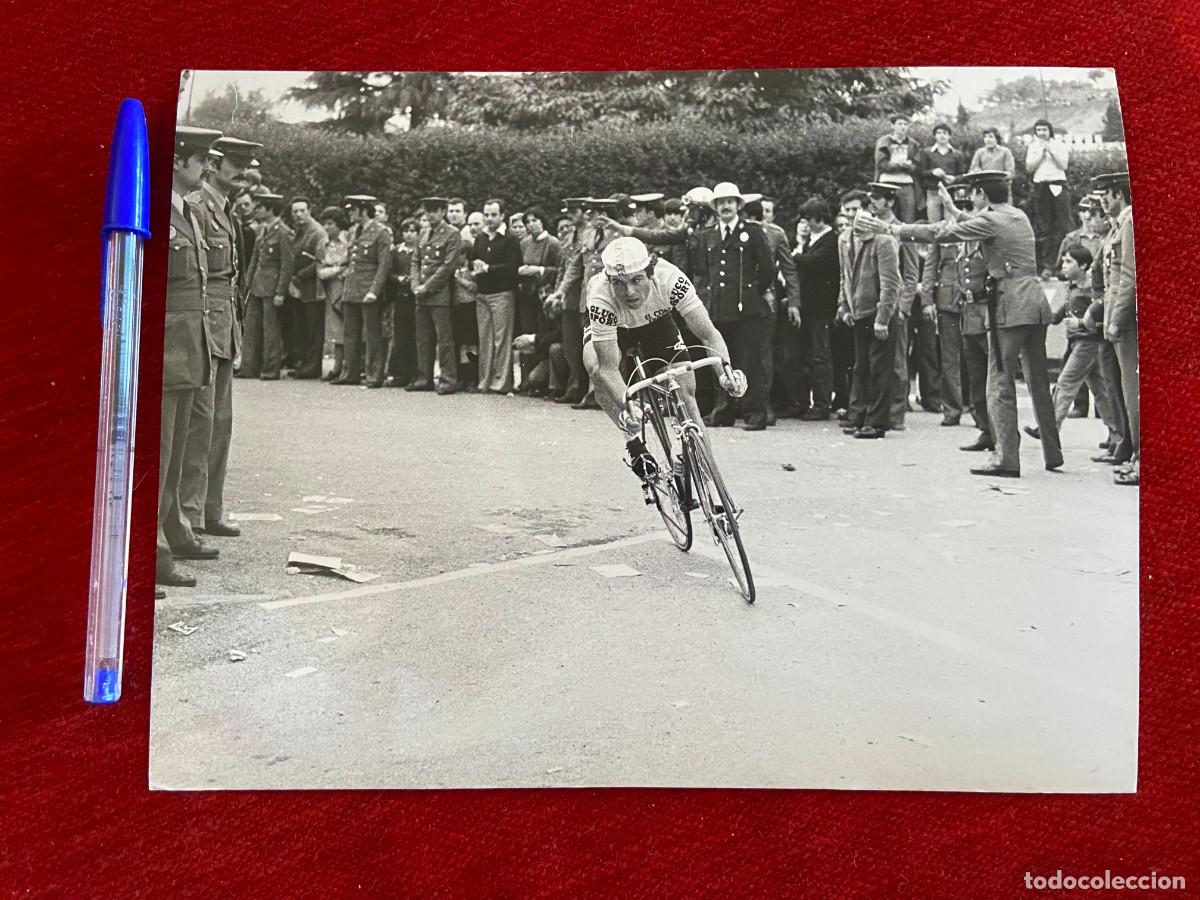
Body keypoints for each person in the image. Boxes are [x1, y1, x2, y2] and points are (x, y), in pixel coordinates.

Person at [863, 171, 1064, 477]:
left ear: (983, 194)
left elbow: (941, 234)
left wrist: (891, 228)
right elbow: (972, 223)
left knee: (999, 382)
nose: (971, 199)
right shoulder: (1016, 215)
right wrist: (954, 210)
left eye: (974, 194)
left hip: (1009, 304)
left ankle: (1005, 458)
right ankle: (1053, 452)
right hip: (1034, 303)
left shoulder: (991, 221)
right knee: (1038, 381)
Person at [580, 237, 747, 478]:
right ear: (609, 281)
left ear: (650, 272)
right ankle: (633, 439)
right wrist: (628, 406)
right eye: (619, 283)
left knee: (686, 391)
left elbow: (709, 335)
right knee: (595, 368)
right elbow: (608, 369)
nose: (630, 292)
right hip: (615, 327)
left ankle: (709, 480)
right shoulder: (600, 296)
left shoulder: (671, 278)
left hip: (656, 323)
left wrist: (726, 374)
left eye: (637, 280)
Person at [179, 136, 259, 543]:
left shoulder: (225, 211)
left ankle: (210, 509)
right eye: (235, 161)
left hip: (224, 324)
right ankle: (188, 516)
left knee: (220, 423)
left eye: (246, 162)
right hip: (203, 324)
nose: (242, 169)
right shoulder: (196, 207)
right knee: (200, 423)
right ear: (211, 164)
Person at [159, 125, 223, 588]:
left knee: (178, 451)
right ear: (179, 160)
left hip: (188, 348)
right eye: (200, 159)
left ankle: (173, 533)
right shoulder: (163, 211)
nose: (206, 167)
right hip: (167, 348)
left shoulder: (189, 213)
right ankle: (155, 553)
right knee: (160, 455)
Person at [695, 183, 777, 431]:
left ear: (739, 205)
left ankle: (755, 413)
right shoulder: (709, 235)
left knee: (748, 360)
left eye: (730, 202)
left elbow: (767, 270)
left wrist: (752, 292)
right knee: (721, 360)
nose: (726, 206)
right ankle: (724, 411)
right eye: (721, 203)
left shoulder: (751, 232)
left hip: (746, 309)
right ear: (716, 207)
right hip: (719, 307)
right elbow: (704, 271)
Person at [1023, 246, 1122, 448]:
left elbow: (1099, 313)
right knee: (1101, 391)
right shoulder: (1074, 286)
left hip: (1088, 343)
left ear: (1084, 265)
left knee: (1065, 383)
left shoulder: (1090, 289)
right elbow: (1061, 311)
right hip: (1078, 343)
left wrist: (1081, 323)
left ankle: (1048, 427)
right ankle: (1117, 435)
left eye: (1069, 262)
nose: (1064, 266)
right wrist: (1045, 317)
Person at [836, 189, 900, 439]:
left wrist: (883, 319)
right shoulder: (844, 239)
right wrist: (844, 306)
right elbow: (845, 277)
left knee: (880, 368)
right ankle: (859, 414)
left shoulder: (884, 242)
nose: (853, 216)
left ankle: (876, 421)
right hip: (858, 312)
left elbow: (890, 284)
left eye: (857, 210)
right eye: (848, 211)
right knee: (861, 367)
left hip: (878, 314)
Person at [861, 183, 920, 431]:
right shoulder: (870, 228)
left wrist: (904, 306)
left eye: (878, 199)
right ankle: (877, 411)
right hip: (874, 304)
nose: (872, 202)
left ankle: (896, 412)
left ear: (890, 202)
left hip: (895, 305)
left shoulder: (899, 231)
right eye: (871, 198)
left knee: (897, 362)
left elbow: (910, 273)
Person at [1092, 172, 1138, 486]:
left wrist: (1116, 318)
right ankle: (1133, 451)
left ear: (1119, 194)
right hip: (1116, 316)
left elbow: (1129, 278)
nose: (1103, 201)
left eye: (1106, 194)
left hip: (1126, 321)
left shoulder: (1131, 222)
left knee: (1134, 392)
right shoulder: (1119, 224)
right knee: (1124, 388)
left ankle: (1139, 458)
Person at [743, 196, 799, 427]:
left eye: (768, 211)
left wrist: (794, 301)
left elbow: (789, 268)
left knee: (763, 354)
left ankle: (764, 404)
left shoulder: (776, 234)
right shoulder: (739, 231)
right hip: (741, 302)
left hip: (766, 301)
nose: (763, 215)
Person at [918, 183, 970, 426]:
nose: (961, 211)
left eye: (967, 206)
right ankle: (952, 408)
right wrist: (927, 299)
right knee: (949, 358)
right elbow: (930, 267)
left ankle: (975, 405)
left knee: (975, 355)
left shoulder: (976, 228)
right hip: (948, 301)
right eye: (958, 206)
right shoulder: (942, 232)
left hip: (973, 300)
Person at [789, 198, 840, 420]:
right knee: (808, 355)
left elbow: (815, 262)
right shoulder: (814, 239)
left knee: (821, 356)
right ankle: (807, 402)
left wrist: (796, 257)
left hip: (822, 308)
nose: (807, 224)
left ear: (819, 218)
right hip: (810, 307)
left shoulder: (830, 240)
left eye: (809, 219)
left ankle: (822, 403)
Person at [334, 195, 391, 387]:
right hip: (352, 288)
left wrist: (375, 291)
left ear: (364, 210)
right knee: (350, 333)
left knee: (372, 334)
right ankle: (350, 373)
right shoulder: (353, 231)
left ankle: (374, 375)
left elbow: (383, 265)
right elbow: (351, 260)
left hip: (368, 289)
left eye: (353, 209)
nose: (350, 213)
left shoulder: (381, 232)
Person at [238, 191, 294, 380]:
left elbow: (287, 264)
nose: (256, 210)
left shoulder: (284, 232)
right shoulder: (262, 229)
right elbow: (255, 258)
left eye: (260, 207)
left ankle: (270, 369)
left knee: (271, 330)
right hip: (257, 286)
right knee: (252, 328)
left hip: (272, 287)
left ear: (271, 209)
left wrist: (280, 291)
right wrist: (248, 281)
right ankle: (249, 367)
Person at [409, 196, 462, 394]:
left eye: (434, 210)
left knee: (444, 339)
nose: (429, 214)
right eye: (427, 210)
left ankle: (448, 380)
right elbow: (416, 261)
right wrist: (415, 284)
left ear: (443, 212)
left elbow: (448, 265)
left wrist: (427, 286)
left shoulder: (452, 234)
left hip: (439, 295)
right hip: (421, 294)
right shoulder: (423, 233)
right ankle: (424, 378)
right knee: (423, 338)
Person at [472, 198, 523, 394]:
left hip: (502, 294)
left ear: (502, 216)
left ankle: (500, 383)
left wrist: (488, 268)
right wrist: (475, 266)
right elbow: (474, 258)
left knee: (501, 340)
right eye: (486, 215)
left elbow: (512, 267)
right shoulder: (481, 238)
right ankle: (484, 381)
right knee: (484, 339)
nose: (489, 219)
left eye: (494, 215)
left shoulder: (510, 239)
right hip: (482, 295)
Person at [515, 206, 562, 392]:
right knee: (526, 333)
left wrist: (539, 270)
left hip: (545, 295)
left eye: (535, 220)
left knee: (542, 335)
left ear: (543, 222)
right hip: (527, 295)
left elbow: (559, 271)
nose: (531, 225)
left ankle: (541, 382)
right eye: (528, 222)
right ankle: (526, 381)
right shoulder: (525, 243)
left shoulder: (552, 243)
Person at [287, 196, 328, 379]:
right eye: (295, 211)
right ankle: (303, 364)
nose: (298, 215)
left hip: (313, 287)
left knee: (313, 328)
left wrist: (300, 275)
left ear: (309, 211)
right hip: (299, 288)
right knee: (301, 327)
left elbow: (320, 260)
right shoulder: (299, 232)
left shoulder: (318, 232)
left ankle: (312, 367)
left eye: (302, 210)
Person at [1025, 119, 1073, 276]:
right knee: (1044, 226)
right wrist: (1041, 153)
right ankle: (1047, 265)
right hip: (1041, 186)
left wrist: (1051, 151)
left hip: (1058, 184)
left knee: (1064, 224)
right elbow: (1029, 168)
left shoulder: (1058, 145)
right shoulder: (1033, 147)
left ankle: (1067, 263)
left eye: (1044, 130)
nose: (1041, 133)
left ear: (1050, 131)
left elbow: (1063, 166)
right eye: (1038, 130)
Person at [316, 205, 350, 381]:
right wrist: (337, 269)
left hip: (348, 286)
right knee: (336, 329)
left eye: (330, 223)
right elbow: (321, 271)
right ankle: (337, 366)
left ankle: (349, 365)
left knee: (350, 326)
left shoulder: (349, 240)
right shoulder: (323, 244)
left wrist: (336, 269)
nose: (327, 227)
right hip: (331, 289)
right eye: (325, 224)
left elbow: (350, 267)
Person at [385, 217, 420, 387]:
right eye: (406, 231)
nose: (409, 235)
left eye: (413, 231)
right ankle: (400, 373)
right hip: (400, 296)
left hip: (416, 297)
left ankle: (414, 373)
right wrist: (398, 278)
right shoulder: (397, 251)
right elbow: (389, 273)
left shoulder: (420, 250)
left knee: (415, 335)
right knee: (401, 336)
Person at [451, 211, 484, 391]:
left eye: (463, 255)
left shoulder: (470, 272)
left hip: (470, 307)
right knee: (462, 344)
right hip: (458, 308)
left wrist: (460, 280)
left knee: (472, 344)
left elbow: (473, 287)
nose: (460, 258)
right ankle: (463, 376)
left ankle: (473, 377)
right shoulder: (456, 270)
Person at [874, 114, 921, 222]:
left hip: (907, 184)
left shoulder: (913, 144)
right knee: (887, 216)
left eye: (905, 124)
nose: (903, 127)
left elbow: (917, 165)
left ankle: (907, 239)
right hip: (887, 183)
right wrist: (899, 165)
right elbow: (881, 164)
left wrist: (909, 167)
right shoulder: (884, 141)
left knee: (909, 217)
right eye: (900, 124)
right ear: (893, 126)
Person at [918, 123, 965, 222]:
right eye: (938, 133)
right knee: (933, 223)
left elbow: (962, 175)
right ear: (935, 136)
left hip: (950, 192)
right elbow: (921, 172)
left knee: (950, 223)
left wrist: (955, 179)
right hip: (933, 191)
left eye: (945, 133)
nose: (942, 135)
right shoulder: (927, 152)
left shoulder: (957, 154)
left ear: (949, 136)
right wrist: (932, 172)